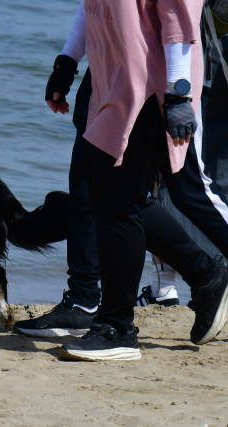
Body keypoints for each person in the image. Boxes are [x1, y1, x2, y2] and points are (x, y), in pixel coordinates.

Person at [17, 0, 228, 361]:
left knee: (183, 194)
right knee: (110, 200)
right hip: (112, 82)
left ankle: (117, 328)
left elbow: (179, 19)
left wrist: (178, 93)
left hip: (155, 88)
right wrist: (68, 61)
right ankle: (115, 322)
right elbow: (95, 8)